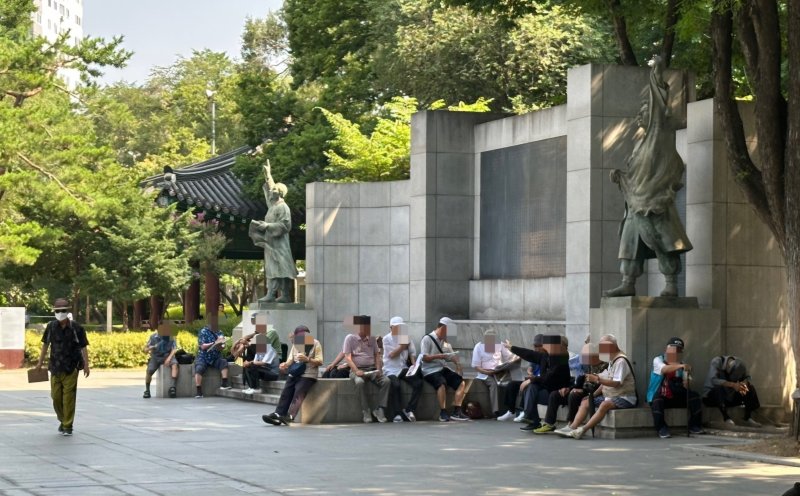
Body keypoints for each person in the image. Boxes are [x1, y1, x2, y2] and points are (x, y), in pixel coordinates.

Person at [604, 56, 692, 297]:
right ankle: (628, 282)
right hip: (636, 202)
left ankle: (671, 285)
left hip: (655, 201)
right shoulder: (640, 146)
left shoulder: (658, 138)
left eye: (644, 112)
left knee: (664, 244)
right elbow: (638, 174)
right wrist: (622, 177)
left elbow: (657, 110)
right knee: (630, 244)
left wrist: (657, 75)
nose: (640, 116)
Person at [557, 334, 637, 439]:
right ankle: (572, 427)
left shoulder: (621, 361)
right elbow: (605, 383)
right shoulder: (612, 360)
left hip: (625, 397)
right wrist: (593, 395)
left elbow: (616, 383)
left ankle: (583, 429)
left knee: (604, 404)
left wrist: (597, 379)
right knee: (586, 401)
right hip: (611, 395)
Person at [35, 298, 90, 436]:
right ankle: (63, 419)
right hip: (55, 367)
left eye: (63, 311)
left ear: (68, 311)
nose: (60, 313)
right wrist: (39, 363)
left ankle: (67, 426)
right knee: (55, 397)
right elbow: (45, 345)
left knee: (69, 398)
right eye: (58, 311)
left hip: (72, 367)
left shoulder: (77, 328)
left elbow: (84, 347)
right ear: (55, 312)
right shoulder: (51, 326)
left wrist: (87, 365)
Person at [248, 159, 298, 302]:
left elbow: (285, 226)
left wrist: (268, 226)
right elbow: (269, 188)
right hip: (271, 242)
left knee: (281, 268)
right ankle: (272, 293)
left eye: (275, 190)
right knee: (272, 268)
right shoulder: (272, 205)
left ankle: (284, 295)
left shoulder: (283, 207)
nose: (272, 191)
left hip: (280, 243)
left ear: (280, 194)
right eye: (273, 189)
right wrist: (268, 175)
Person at [536, 342, 608, 434]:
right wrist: (568, 388)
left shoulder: (604, 366)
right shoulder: (589, 366)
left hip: (593, 393)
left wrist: (580, 390)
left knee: (574, 395)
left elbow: (602, 385)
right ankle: (549, 423)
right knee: (555, 394)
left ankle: (571, 424)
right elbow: (579, 382)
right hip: (583, 390)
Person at [507, 335, 571, 430]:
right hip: (546, 389)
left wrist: (531, 380)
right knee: (531, 387)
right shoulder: (545, 356)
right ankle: (531, 418)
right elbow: (529, 354)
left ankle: (530, 417)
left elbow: (549, 377)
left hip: (556, 391)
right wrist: (512, 348)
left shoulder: (561, 359)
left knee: (532, 386)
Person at [263, 325, 323, 425]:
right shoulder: (296, 344)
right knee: (286, 390)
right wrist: (285, 365)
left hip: (308, 374)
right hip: (295, 373)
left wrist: (307, 359)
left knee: (299, 391)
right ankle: (278, 414)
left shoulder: (316, 343)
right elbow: (291, 359)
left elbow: (320, 361)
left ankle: (290, 416)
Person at [647, 337, 704, 438]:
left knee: (695, 396)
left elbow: (687, 381)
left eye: (678, 350)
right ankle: (661, 428)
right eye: (673, 349)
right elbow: (664, 369)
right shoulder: (658, 360)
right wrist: (680, 367)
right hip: (660, 394)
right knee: (658, 400)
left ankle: (694, 425)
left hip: (675, 394)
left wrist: (687, 381)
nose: (675, 352)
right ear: (666, 349)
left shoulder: (681, 364)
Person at [343, 315, 391, 423]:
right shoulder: (350, 338)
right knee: (359, 383)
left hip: (372, 369)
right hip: (357, 370)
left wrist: (379, 369)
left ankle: (380, 409)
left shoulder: (372, 338)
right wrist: (356, 370)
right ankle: (366, 410)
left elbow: (377, 355)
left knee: (386, 381)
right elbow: (347, 357)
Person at [420, 317, 469, 422]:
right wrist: (439, 356)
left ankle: (457, 411)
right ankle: (443, 411)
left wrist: (457, 363)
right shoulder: (427, 339)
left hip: (442, 368)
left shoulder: (444, 341)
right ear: (443, 328)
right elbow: (424, 358)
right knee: (441, 384)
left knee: (461, 382)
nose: (448, 334)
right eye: (448, 330)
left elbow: (448, 356)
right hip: (429, 370)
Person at [382, 316, 423, 422]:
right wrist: (402, 345)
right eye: (396, 327)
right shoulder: (386, 339)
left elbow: (412, 352)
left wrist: (414, 365)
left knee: (418, 383)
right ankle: (397, 413)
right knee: (396, 385)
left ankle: (409, 409)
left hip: (402, 368)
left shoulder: (405, 336)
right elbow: (391, 355)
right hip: (390, 369)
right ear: (391, 328)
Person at [471, 329, 519, 420]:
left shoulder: (499, 345)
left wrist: (512, 351)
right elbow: (476, 366)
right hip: (485, 373)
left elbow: (510, 357)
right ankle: (495, 411)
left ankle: (511, 410)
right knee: (493, 385)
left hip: (499, 372)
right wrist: (487, 372)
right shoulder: (478, 347)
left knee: (511, 383)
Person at [702, 355, 761, 426]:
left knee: (749, 388)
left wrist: (744, 382)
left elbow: (748, 377)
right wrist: (733, 384)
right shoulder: (717, 361)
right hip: (711, 397)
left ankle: (747, 417)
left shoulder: (740, 364)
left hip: (728, 397)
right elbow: (713, 380)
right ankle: (726, 418)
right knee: (718, 389)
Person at [195, 325, 231, 398]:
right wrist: (214, 343)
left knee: (223, 362)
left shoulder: (219, 332)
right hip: (204, 357)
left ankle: (224, 383)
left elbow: (223, 347)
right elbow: (203, 346)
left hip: (215, 357)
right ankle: (199, 391)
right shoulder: (203, 331)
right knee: (199, 368)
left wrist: (221, 344)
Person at [143, 329, 178, 399]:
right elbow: (145, 349)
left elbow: (174, 349)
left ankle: (172, 387)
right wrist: (150, 348)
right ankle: (147, 390)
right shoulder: (153, 337)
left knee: (175, 364)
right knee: (149, 371)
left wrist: (168, 358)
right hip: (156, 357)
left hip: (167, 355)